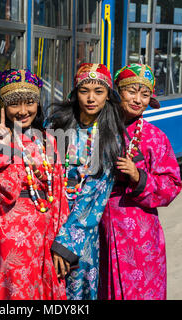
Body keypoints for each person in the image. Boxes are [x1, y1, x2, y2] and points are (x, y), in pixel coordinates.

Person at [0, 68, 70, 300]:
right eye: (14, 104)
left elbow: (58, 191)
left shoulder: (47, 139)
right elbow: (2, 193)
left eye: (29, 103)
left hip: (49, 235)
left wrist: (63, 241)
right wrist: (4, 148)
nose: (22, 111)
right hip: (14, 238)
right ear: (3, 107)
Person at [98, 63, 182, 300]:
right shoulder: (97, 127)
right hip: (100, 227)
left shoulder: (155, 138)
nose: (138, 100)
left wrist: (138, 177)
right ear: (118, 91)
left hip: (141, 236)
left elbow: (172, 185)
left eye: (144, 94)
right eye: (131, 92)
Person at [48, 63, 125, 300]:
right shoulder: (55, 127)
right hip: (49, 222)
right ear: (74, 94)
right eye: (84, 91)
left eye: (98, 92)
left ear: (108, 96)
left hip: (81, 234)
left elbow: (96, 195)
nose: (91, 98)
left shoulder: (111, 139)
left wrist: (64, 243)